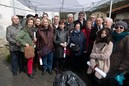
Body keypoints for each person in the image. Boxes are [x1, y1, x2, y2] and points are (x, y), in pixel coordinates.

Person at [104, 21, 129, 86]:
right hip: (110, 63)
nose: (118, 29)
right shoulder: (112, 36)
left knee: (115, 82)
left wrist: (123, 67)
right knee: (108, 80)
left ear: (125, 29)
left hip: (119, 66)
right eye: (117, 27)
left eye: (121, 27)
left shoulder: (127, 38)